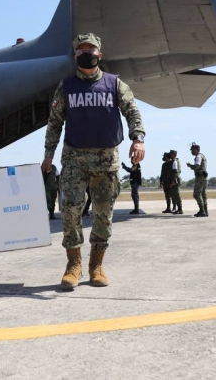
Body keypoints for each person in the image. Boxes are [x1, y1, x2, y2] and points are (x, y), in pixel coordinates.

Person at [42, 33, 145, 290]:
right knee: (70, 211)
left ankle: (96, 265)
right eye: (81, 49)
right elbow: (54, 122)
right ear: (75, 55)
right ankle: (73, 264)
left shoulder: (114, 84)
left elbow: (132, 111)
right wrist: (48, 154)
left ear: (100, 53)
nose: (86, 52)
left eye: (91, 48)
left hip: (106, 159)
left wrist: (138, 139)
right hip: (74, 158)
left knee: (103, 214)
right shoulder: (65, 87)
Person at [187, 142, 208, 217]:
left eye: (192, 150)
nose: (191, 151)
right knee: (203, 194)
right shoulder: (202, 156)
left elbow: (196, 167)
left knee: (196, 194)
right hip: (204, 177)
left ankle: (202, 211)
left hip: (200, 178)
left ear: (196, 149)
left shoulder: (198, 157)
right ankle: (205, 211)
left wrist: (190, 166)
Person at [168, 150, 183, 214]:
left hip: (175, 179)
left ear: (173, 155)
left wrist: (173, 181)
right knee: (175, 194)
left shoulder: (174, 161)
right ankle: (179, 208)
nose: (170, 155)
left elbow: (175, 172)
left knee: (177, 194)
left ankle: (180, 209)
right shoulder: (176, 161)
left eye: (170, 154)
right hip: (176, 179)